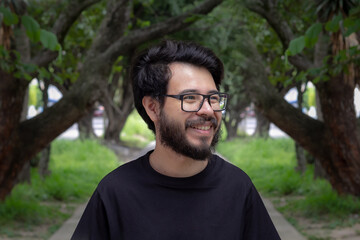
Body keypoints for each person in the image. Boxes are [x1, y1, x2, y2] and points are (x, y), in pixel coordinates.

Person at [71, 40, 281, 240]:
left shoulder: (238, 188)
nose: (208, 110)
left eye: (214, 98)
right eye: (190, 98)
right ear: (153, 108)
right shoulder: (115, 192)